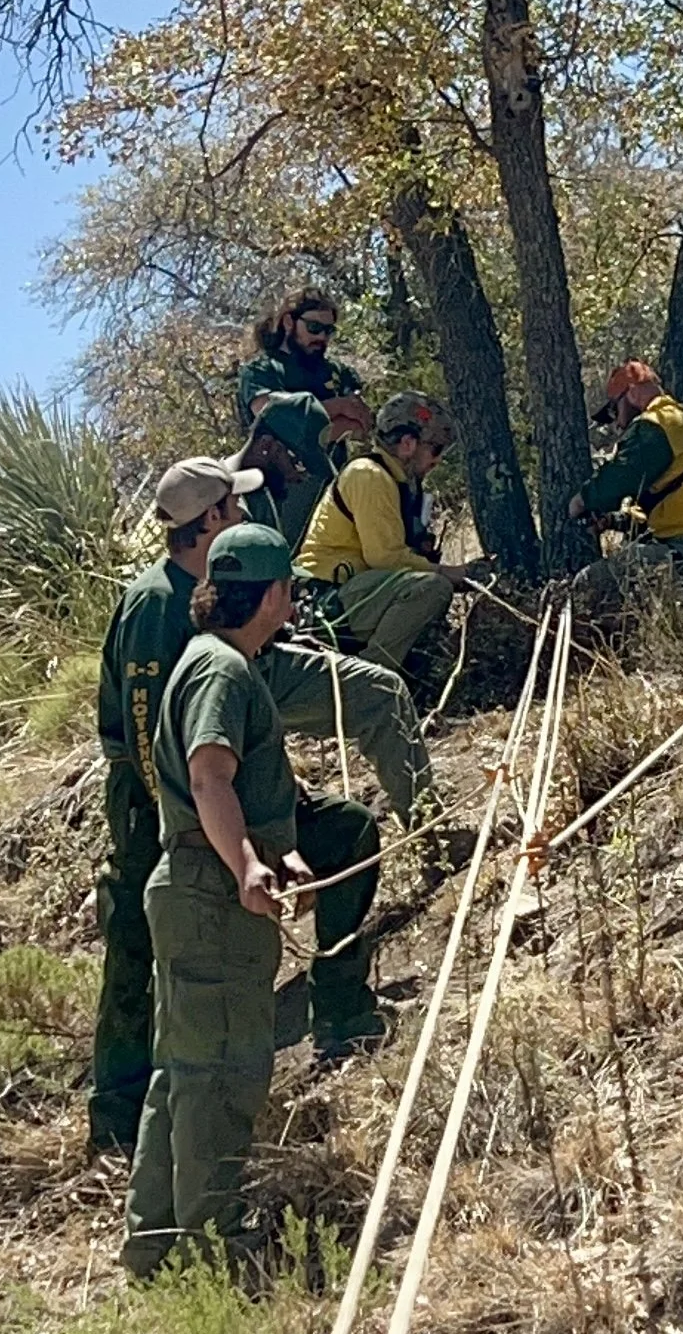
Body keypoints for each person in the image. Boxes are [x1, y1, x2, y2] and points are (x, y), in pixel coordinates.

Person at [90, 455, 438, 1152]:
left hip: (235, 806)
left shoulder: (225, 602)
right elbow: (151, 740)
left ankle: (340, 1006)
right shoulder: (158, 606)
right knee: (137, 951)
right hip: (170, 822)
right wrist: (222, 848)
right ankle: (124, 1117)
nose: (245, 514)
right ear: (210, 519)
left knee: (345, 833)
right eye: (233, 506)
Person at [122, 520, 380, 1279]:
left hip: (195, 890)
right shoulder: (222, 672)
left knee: (183, 1070)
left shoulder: (214, 661)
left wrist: (278, 851)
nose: (293, 599)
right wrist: (243, 866)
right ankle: (217, 1247)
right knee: (224, 1072)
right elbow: (209, 776)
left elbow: (241, 788)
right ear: (270, 594)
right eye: (288, 588)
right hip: (208, 895)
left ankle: (156, 1242)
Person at [296, 393, 469, 679]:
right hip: (327, 600)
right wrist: (449, 573)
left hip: (356, 593)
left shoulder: (401, 483)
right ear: (408, 444)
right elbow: (384, 557)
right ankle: (369, 682)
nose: (438, 461)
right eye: (436, 449)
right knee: (432, 587)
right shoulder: (369, 475)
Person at [571, 365, 683, 563]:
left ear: (633, 392)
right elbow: (653, 508)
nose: (617, 424)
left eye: (614, 410)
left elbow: (620, 477)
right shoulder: (679, 422)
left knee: (602, 578)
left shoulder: (655, 425)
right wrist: (613, 520)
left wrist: (582, 501)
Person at [235, 288, 371, 441]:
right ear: (288, 322)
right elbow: (275, 418)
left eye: (328, 330)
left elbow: (359, 423)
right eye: (314, 327)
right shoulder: (260, 371)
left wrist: (308, 422)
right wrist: (338, 407)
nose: (322, 336)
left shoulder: (338, 372)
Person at [237, 390, 336, 558]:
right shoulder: (219, 496)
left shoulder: (274, 494)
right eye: (297, 464)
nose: (300, 477)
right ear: (266, 446)